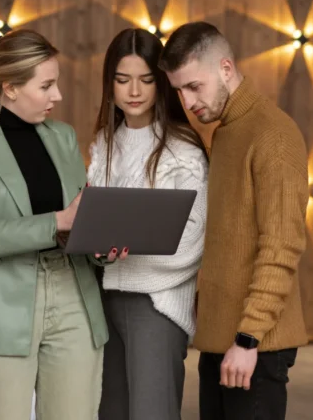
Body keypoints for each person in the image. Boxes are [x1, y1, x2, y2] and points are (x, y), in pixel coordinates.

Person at [0, 29, 108, 420]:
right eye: (46, 85)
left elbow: (80, 217)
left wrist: (101, 242)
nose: (57, 95)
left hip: (73, 295)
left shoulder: (62, 137)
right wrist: (59, 221)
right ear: (9, 88)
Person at [158, 21, 309, 420]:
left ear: (226, 69)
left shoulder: (273, 134)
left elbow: (281, 245)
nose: (188, 102)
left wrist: (248, 337)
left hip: (255, 346)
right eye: (178, 90)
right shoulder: (224, 133)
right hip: (221, 342)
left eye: (194, 86)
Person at [88, 28, 209, 420]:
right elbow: (93, 225)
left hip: (157, 305)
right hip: (104, 301)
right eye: (123, 80)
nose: (134, 91)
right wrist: (102, 254)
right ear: (110, 85)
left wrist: (130, 260)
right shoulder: (103, 144)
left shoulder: (183, 149)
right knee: (109, 413)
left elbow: (193, 241)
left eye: (146, 80)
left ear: (162, 84)